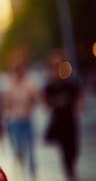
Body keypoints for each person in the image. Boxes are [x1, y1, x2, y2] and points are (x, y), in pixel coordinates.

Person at [43, 48, 84, 181]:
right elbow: (46, 102)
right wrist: (57, 102)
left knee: (74, 147)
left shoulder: (70, 82)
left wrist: (78, 105)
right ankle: (69, 172)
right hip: (59, 122)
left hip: (71, 119)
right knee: (64, 149)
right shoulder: (50, 85)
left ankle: (71, 168)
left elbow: (78, 96)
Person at [0, 47, 39, 179]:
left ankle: (33, 174)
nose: (18, 73)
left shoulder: (29, 82)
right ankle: (21, 166)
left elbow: (35, 99)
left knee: (31, 148)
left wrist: (30, 97)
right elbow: (6, 103)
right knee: (19, 149)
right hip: (15, 121)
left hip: (27, 119)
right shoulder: (9, 84)